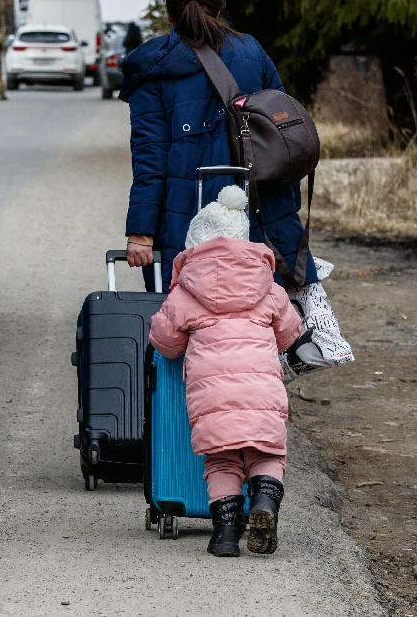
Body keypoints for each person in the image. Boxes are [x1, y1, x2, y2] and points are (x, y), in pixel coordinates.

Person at [119, 0, 319, 294]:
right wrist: (285, 209)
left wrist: (141, 232)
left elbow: (150, 158)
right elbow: (283, 135)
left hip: (185, 219)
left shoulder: (153, 68)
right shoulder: (252, 52)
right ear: (220, 9)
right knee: (261, 307)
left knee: (190, 308)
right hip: (259, 207)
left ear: (169, 13)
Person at [149, 185, 302, 557]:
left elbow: (166, 342)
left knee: (222, 460)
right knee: (267, 453)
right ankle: (264, 502)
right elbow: (289, 334)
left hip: (213, 397)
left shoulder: (186, 292)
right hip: (262, 392)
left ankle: (226, 535)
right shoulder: (268, 287)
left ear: (196, 245)